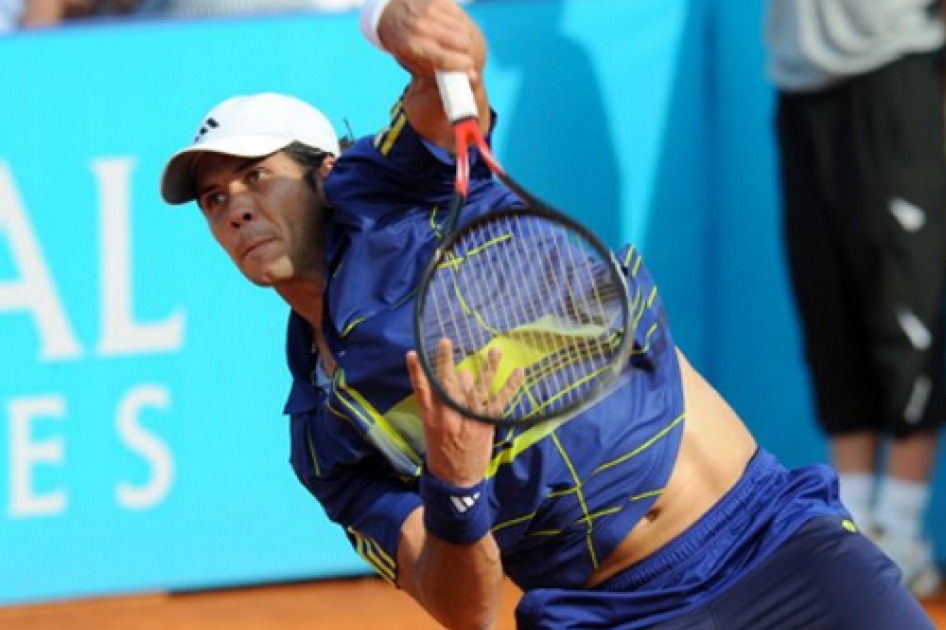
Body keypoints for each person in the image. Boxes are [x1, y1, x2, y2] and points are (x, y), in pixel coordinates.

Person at [160, 0, 938, 627]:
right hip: (602, 614)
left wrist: (390, 19)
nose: (235, 209)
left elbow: (447, 67)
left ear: (327, 174)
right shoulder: (323, 433)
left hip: (771, 546)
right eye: (214, 199)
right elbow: (461, 608)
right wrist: (455, 487)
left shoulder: (395, 190)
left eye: (257, 178)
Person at [765, 0, 946, 598]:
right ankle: (855, 527)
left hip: (899, 71)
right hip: (801, 86)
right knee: (828, 315)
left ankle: (902, 536)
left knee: (907, 313)